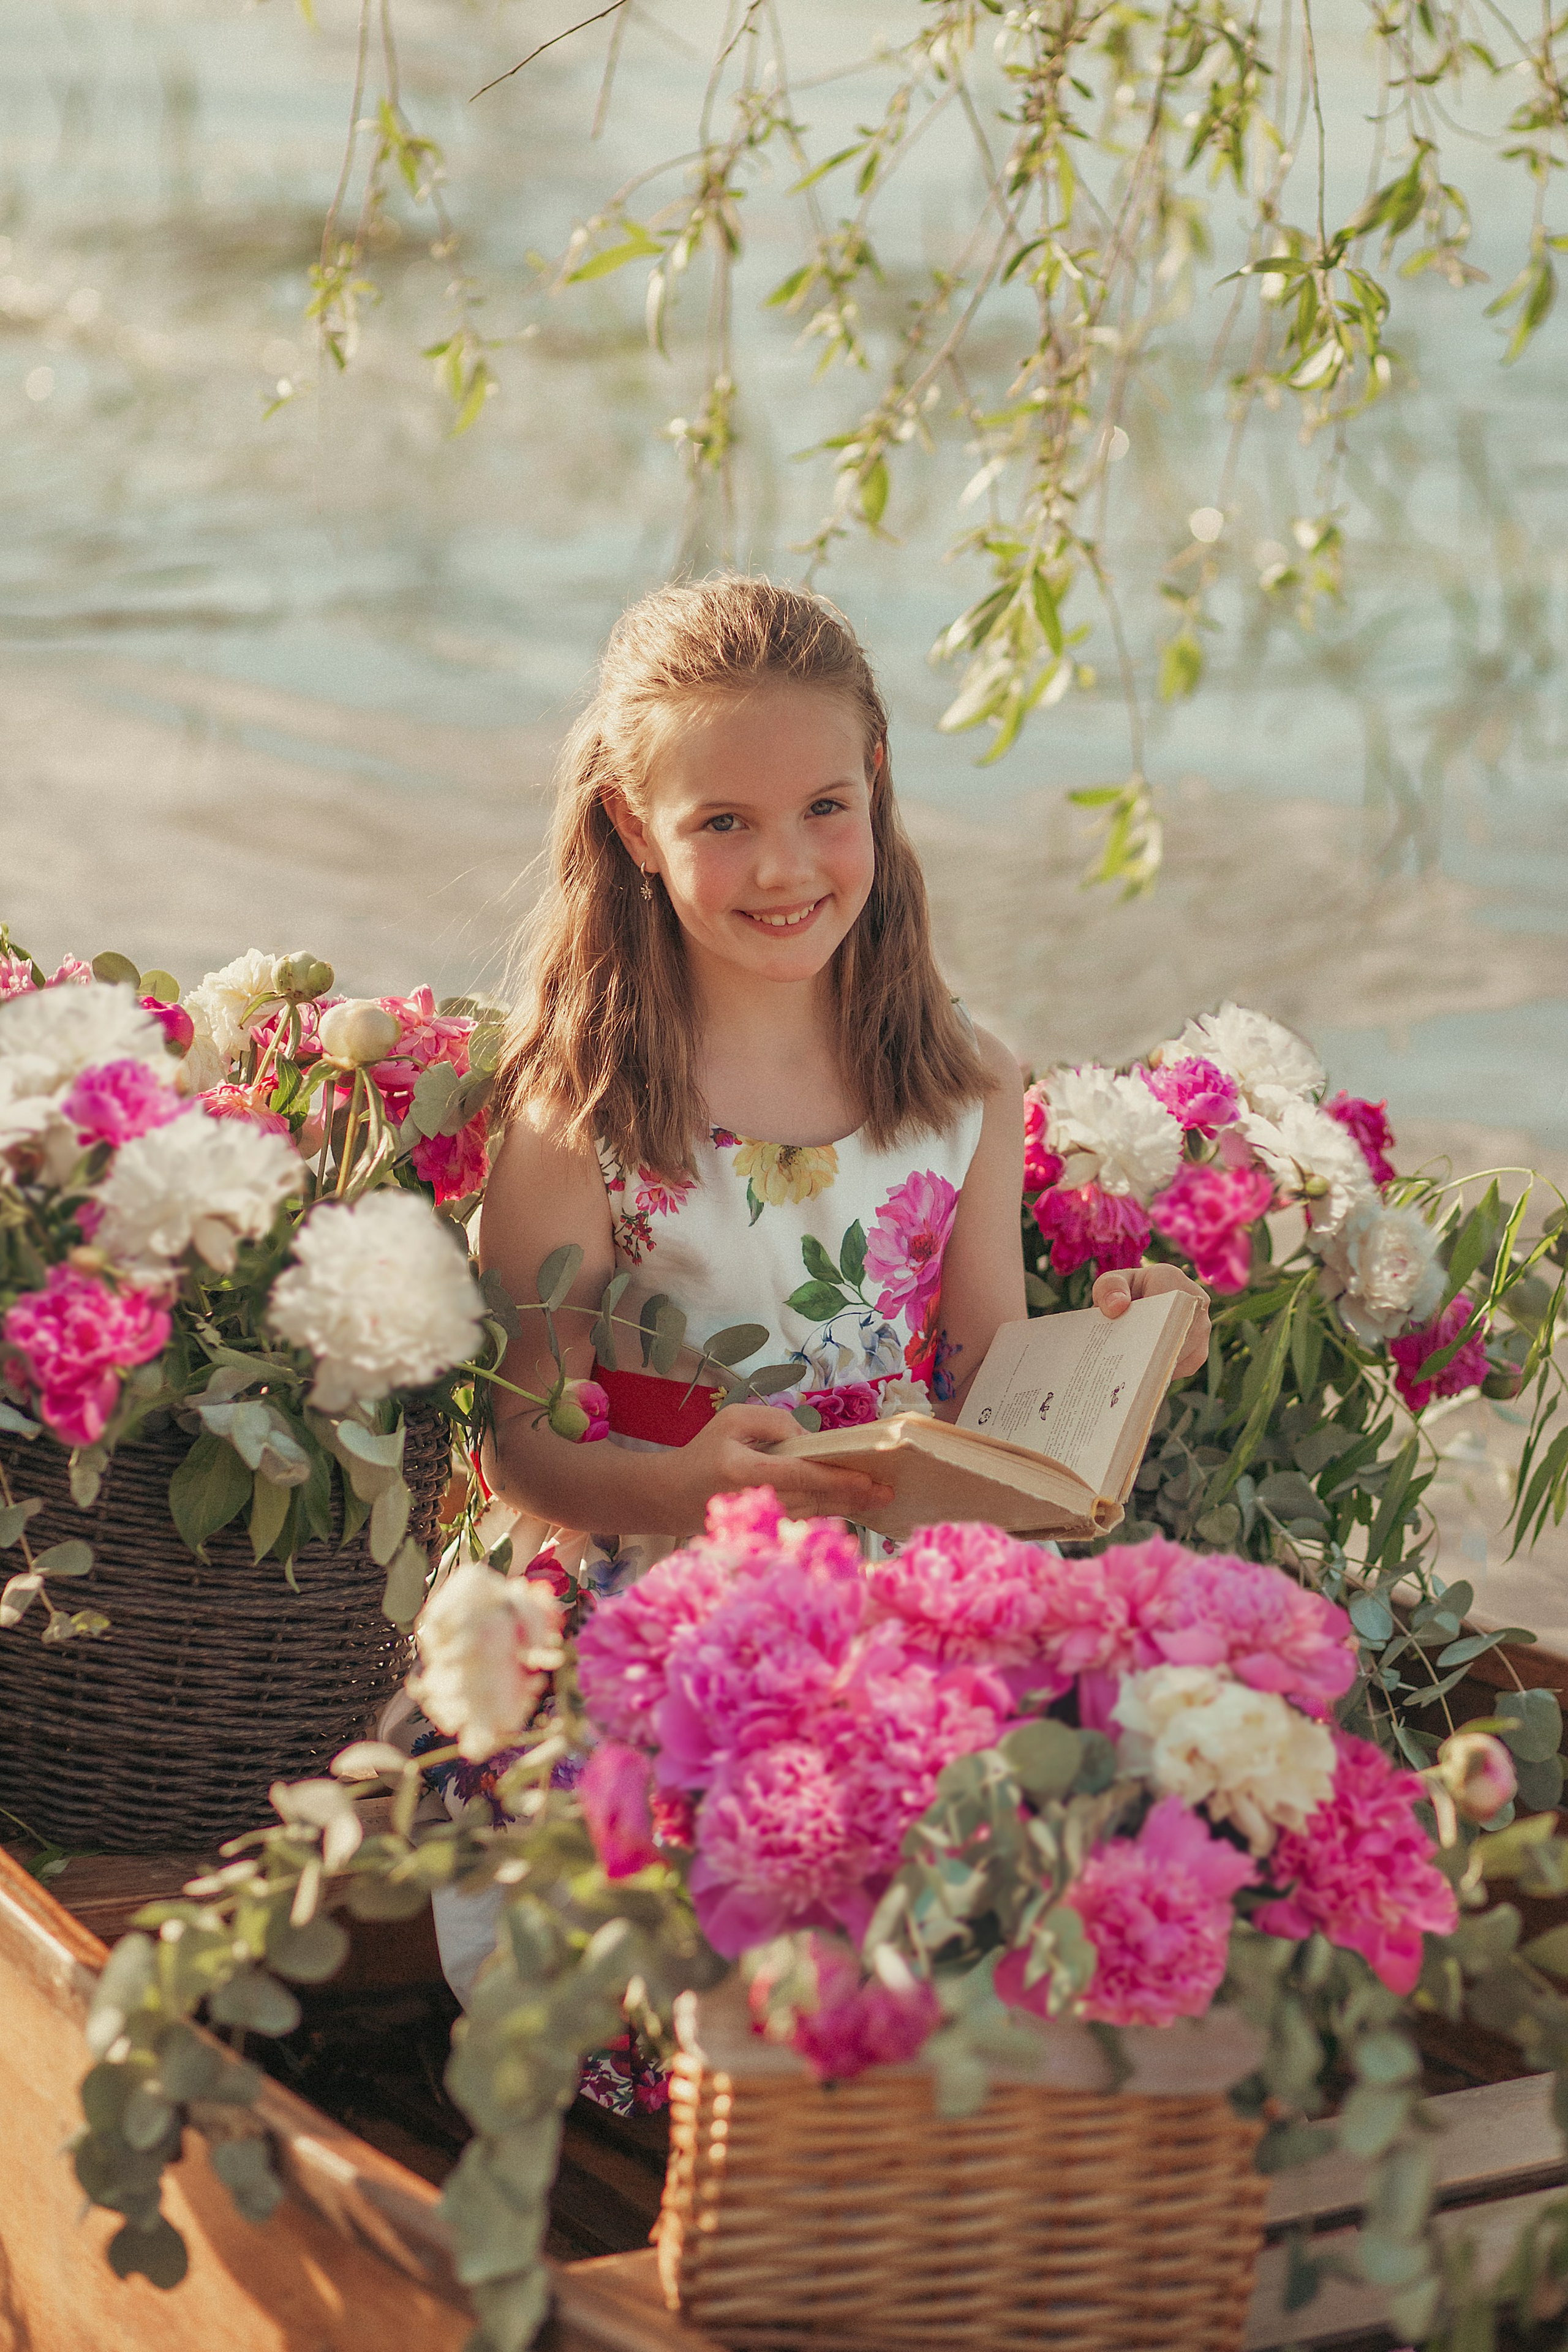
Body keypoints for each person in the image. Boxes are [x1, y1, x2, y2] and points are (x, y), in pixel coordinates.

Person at [435, 576, 1209, 2069]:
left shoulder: (958, 1083)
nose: (783, 864)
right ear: (625, 826)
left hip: (895, 1606)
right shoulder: (580, 1108)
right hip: (656, 1606)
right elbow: (517, 1448)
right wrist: (686, 1488)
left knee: (1070, 1973)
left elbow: (984, 1380)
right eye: (720, 821)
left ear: (877, 796)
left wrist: (1127, 1342)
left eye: (823, 807)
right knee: (736, 2035)